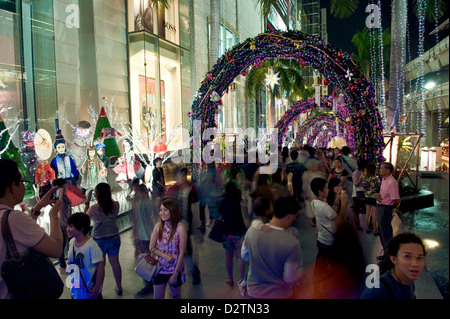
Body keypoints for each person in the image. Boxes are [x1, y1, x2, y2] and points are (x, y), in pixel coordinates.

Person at [0, 159, 64, 299]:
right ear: (12, 187)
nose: (24, 187)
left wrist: (37, 207)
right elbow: (57, 249)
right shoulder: (14, 218)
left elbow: (16, 234)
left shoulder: (7, 217)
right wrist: (54, 216)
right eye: (23, 182)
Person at [241, 196, 302, 299]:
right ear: (289, 217)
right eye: (295, 216)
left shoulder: (252, 230)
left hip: (253, 292)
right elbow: (290, 278)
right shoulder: (291, 242)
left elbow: (244, 255)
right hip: (279, 294)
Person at [361, 232, 426, 299]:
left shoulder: (408, 281)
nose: (415, 264)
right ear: (394, 259)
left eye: (419, 258)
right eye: (407, 256)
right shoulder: (376, 292)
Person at [84, 182, 123, 295]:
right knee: (115, 263)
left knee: (100, 266)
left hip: (99, 240)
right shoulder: (116, 205)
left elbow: (84, 219)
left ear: (97, 195)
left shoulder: (93, 208)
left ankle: (99, 290)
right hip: (114, 237)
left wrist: (87, 201)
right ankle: (119, 287)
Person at [165, 167, 202, 284]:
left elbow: (195, 209)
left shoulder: (192, 189)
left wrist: (197, 229)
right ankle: (180, 273)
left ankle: (194, 272)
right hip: (174, 225)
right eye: (178, 176)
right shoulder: (172, 189)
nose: (181, 178)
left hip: (185, 225)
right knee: (176, 251)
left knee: (186, 250)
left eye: (182, 175)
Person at [149, 198, 188, 299]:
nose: (162, 213)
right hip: (159, 269)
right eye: (161, 210)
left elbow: (182, 252)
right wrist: (165, 256)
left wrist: (175, 273)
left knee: (176, 296)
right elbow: (151, 247)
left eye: (165, 210)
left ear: (172, 211)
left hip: (174, 269)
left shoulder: (180, 228)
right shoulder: (158, 226)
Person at [66, 212, 105, 299]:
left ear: (81, 228)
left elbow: (100, 267)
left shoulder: (92, 246)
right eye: (68, 226)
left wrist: (97, 288)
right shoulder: (72, 242)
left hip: (89, 289)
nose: (67, 229)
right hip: (76, 289)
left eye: (71, 226)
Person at [310, 177, 348, 260]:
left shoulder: (314, 202)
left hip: (321, 239)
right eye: (326, 188)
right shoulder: (324, 206)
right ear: (320, 192)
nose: (328, 190)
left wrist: (337, 200)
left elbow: (330, 214)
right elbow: (340, 221)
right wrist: (344, 203)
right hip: (329, 242)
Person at [218, 181, 247, 287]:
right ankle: (241, 280)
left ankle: (230, 279)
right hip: (238, 233)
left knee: (228, 256)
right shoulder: (239, 203)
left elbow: (220, 212)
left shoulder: (223, 202)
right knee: (239, 257)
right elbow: (244, 220)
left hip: (226, 233)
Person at [374, 162, 400, 253]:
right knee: (382, 232)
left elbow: (396, 200)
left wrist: (391, 209)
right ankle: (386, 253)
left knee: (386, 233)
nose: (379, 170)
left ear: (388, 170)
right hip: (381, 207)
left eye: (381, 168)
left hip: (385, 209)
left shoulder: (391, 182)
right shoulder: (384, 180)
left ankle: (388, 256)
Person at [361, 162, 381, 235]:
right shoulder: (376, 178)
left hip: (367, 196)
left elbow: (364, 187)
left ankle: (367, 229)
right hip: (375, 197)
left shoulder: (364, 177)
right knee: (374, 214)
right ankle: (375, 230)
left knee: (367, 213)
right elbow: (378, 186)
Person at [351, 159, 368, 231]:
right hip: (357, 194)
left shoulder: (366, 172)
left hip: (365, 193)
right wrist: (361, 177)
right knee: (356, 211)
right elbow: (356, 184)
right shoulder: (355, 173)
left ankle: (367, 225)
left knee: (366, 210)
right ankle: (357, 225)